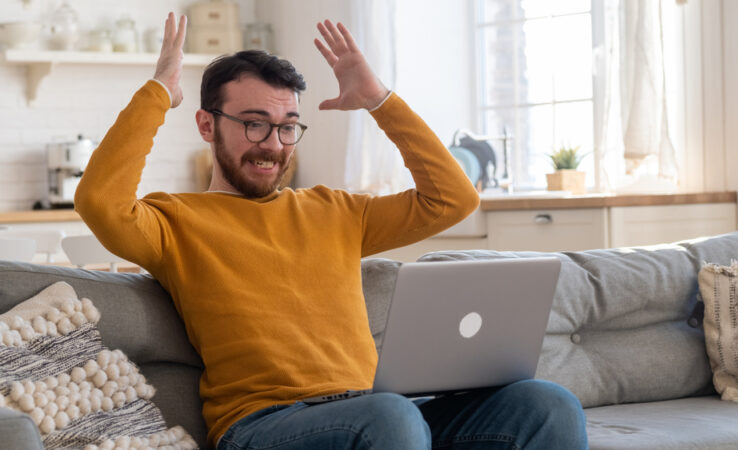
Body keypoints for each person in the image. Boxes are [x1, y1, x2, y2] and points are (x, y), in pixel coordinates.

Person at [75, 12, 588, 450]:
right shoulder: (175, 221)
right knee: (391, 418)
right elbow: (100, 202)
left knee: (546, 404)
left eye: (287, 126)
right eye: (254, 123)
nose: (273, 144)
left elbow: (454, 199)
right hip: (264, 425)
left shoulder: (335, 210)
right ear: (208, 126)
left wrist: (379, 100)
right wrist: (159, 92)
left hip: (379, 413)